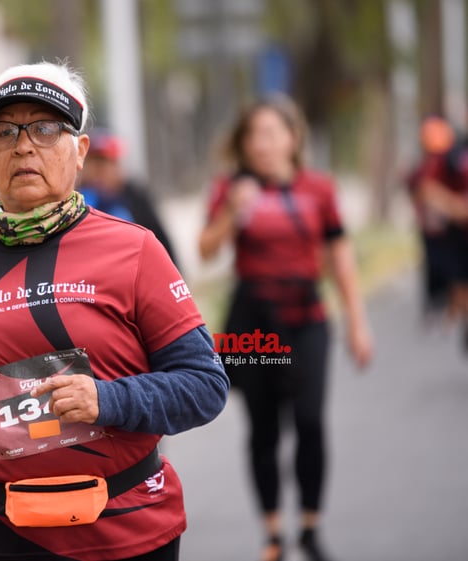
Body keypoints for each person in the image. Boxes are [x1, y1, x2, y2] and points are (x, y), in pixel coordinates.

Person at [0, 61, 229, 561]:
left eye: (46, 129)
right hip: (0, 531)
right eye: (5, 131)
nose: (24, 145)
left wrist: (107, 400)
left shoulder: (135, 250)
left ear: (81, 152)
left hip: (124, 528)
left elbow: (205, 384)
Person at [198, 95, 373, 561]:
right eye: (253, 135)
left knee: (311, 421)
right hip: (255, 324)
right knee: (263, 428)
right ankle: (273, 533)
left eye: (272, 133)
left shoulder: (318, 189)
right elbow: (206, 250)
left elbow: (339, 255)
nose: (262, 144)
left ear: (293, 138)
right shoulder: (231, 188)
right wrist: (234, 211)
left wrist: (357, 322)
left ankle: (310, 527)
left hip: (308, 319)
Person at [405, 115, 468, 346]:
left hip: (450, 228)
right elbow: (422, 188)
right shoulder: (445, 158)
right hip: (446, 232)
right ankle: (445, 311)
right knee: (449, 275)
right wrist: (453, 207)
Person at [77, 128, 180, 267]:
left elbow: (161, 242)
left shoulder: (135, 197)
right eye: (93, 163)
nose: (99, 172)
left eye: (105, 164)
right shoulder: (78, 200)